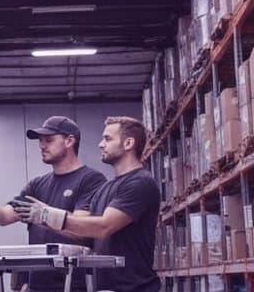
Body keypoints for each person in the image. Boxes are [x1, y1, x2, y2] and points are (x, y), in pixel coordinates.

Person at [0, 116, 107, 292]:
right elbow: (4, 217)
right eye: (40, 141)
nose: (42, 146)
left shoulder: (91, 179)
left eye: (49, 140)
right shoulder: (37, 184)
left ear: (69, 141)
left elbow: (82, 230)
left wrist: (45, 217)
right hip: (37, 284)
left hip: (74, 283)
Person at [12, 116, 160, 292]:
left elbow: (104, 227)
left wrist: (49, 214)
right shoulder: (105, 189)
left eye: (107, 139)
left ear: (128, 143)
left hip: (134, 288)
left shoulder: (140, 183)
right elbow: (83, 235)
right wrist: (42, 221)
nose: (100, 144)